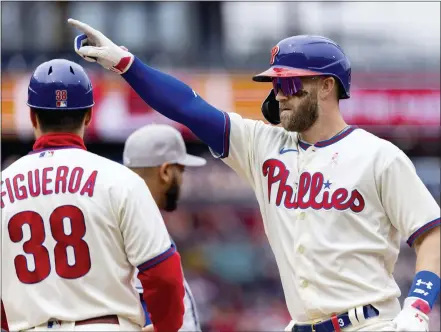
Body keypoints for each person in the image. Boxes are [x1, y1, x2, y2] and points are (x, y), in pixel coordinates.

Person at [68, 18, 440, 332]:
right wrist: (125, 63)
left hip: (370, 323)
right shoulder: (263, 145)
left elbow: (431, 233)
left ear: (327, 86)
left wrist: (419, 306)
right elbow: (188, 107)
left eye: (291, 84)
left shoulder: (379, 157)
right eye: (276, 85)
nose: (280, 95)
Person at [1, 59, 185, 332]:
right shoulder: (122, 181)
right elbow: (164, 276)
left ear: (32, 116)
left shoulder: (3, 185)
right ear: (88, 115)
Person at [123, 124, 205, 332]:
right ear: (166, 172)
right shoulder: (134, 227)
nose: (182, 180)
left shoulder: (129, 218)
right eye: (181, 170)